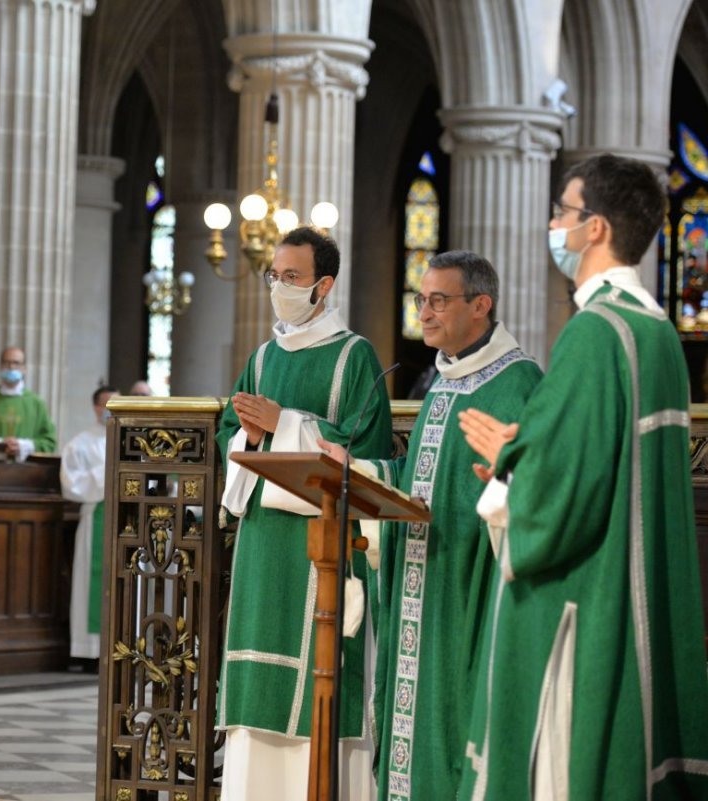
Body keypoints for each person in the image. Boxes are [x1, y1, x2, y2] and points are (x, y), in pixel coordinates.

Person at [457, 154, 708, 800]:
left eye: (562, 212)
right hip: (631, 591)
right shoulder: (655, 331)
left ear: (594, 227)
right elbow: (602, 456)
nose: (552, 224)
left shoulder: (595, 332)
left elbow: (557, 504)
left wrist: (512, 474)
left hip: (582, 602)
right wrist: (530, 447)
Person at [323, 251, 542, 801]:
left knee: (460, 718)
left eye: (438, 300)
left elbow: (528, 489)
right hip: (423, 586)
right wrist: (357, 470)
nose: (424, 312)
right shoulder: (442, 383)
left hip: (472, 593)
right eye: (421, 299)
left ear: (481, 305)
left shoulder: (517, 385)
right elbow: (419, 478)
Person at [216, 226, 392, 800]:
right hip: (263, 541)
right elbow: (229, 435)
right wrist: (249, 431)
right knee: (255, 694)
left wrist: (284, 424)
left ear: (324, 285)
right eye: (274, 275)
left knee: (322, 682)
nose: (278, 287)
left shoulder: (355, 355)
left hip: (322, 543)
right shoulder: (263, 356)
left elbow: (366, 454)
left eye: (291, 277)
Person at [60, 384, 119, 665]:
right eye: (107, 404)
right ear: (96, 407)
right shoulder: (80, 444)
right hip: (95, 517)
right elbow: (71, 486)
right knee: (92, 583)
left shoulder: (130, 441)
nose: (111, 410)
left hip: (124, 522)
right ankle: (90, 651)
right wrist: (108, 474)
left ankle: (120, 646)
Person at [0, 345, 57, 461]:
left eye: (16, 363)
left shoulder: (37, 404)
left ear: (24, 368)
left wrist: (23, 446)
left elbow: (50, 442)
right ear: (0, 366)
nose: (11, 367)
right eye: (6, 363)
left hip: (27, 473)